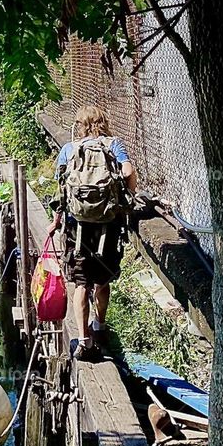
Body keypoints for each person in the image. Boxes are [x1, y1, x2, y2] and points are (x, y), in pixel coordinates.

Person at [49, 104, 137, 362]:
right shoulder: (114, 145)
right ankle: (100, 326)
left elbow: (61, 188)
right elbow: (129, 173)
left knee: (80, 283)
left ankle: (84, 341)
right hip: (108, 226)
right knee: (102, 280)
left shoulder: (69, 150)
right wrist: (127, 196)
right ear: (102, 122)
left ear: (80, 125)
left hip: (77, 228)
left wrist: (56, 221)